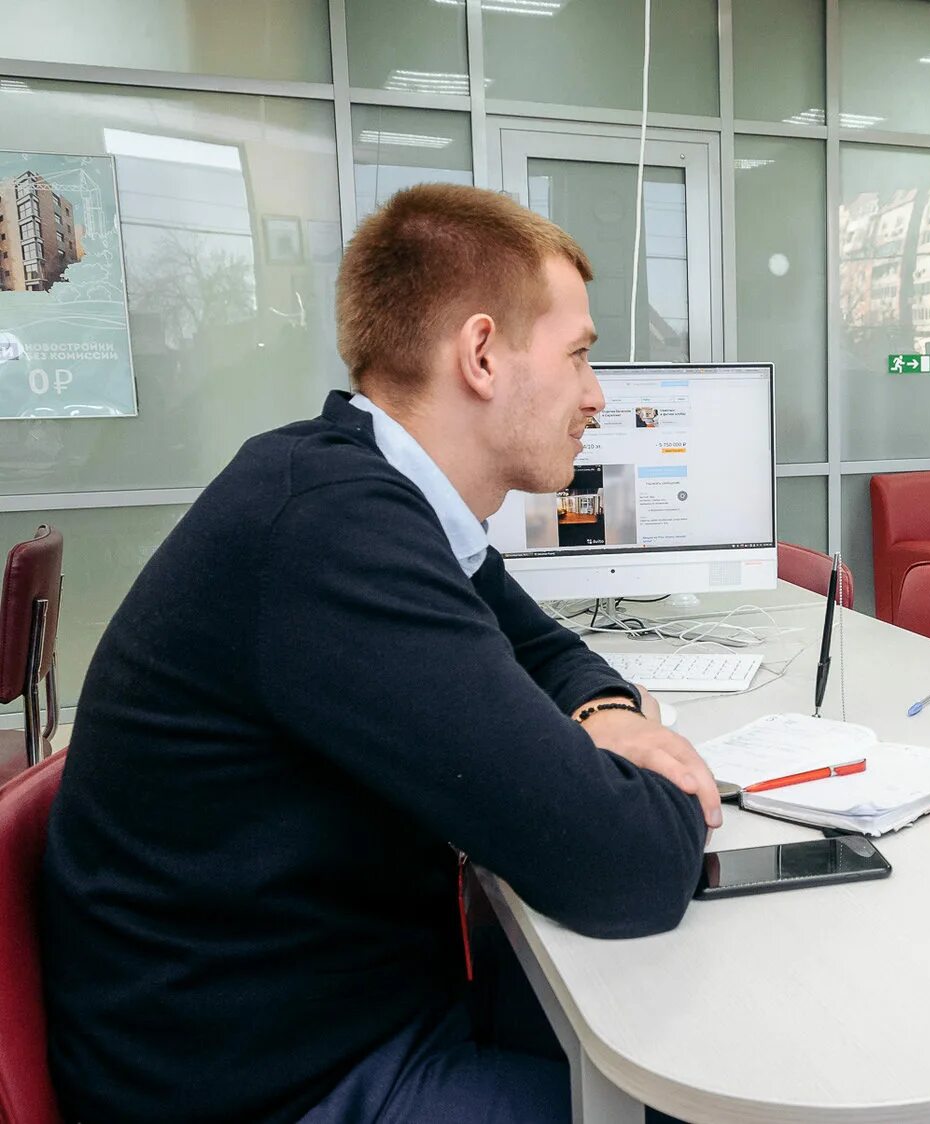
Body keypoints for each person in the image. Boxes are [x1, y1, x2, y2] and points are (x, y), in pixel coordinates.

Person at [39, 183, 723, 1124]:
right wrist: (662, 780)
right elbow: (627, 871)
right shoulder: (333, 532)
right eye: (579, 356)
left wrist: (606, 717)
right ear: (482, 355)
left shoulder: (374, 491)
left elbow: (546, 648)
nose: (598, 397)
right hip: (271, 1086)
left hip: (328, 1016)